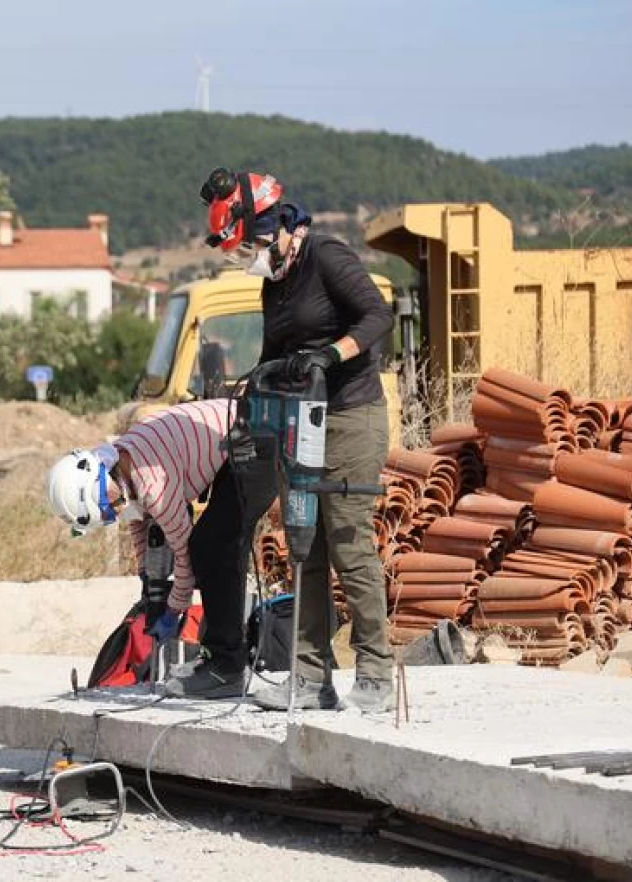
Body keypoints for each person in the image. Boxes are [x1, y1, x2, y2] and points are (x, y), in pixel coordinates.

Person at [195, 167, 395, 711]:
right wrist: (246, 412)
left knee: (349, 543)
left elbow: (380, 314)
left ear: (277, 223)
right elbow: (269, 358)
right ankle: (310, 678)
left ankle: (376, 672)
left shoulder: (326, 257)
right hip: (299, 422)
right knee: (305, 547)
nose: (250, 257)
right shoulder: (273, 283)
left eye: (253, 245)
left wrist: (333, 354)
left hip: (351, 417)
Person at [46, 398, 243, 697]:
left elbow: (185, 558)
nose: (114, 511)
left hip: (247, 437)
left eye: (108, 506)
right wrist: (147, 578)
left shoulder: (153, 487)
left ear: (99, 479)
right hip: (226, 437)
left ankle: (225, 666)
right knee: (207, 547)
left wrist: (171, 611)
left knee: (211, 548)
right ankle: (218, 658)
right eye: (108, 513)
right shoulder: (120, 464)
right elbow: (136, 520)